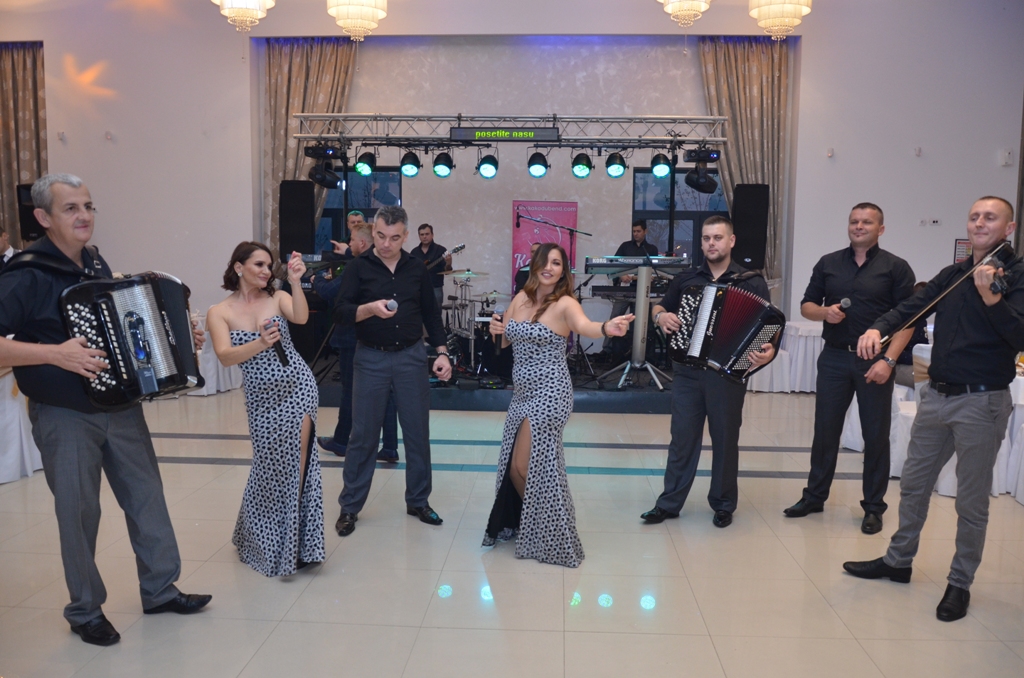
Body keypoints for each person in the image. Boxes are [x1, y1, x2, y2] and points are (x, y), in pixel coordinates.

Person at [0, 174, 211, 647]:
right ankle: (84, 610)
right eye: (71, 208)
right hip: (64, 414)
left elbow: (119, 333)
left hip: (120, 406)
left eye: (89, 206)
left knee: (147, 497)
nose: (84, 216)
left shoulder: (95, 262)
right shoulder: (26, 274)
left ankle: (160, 589)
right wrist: (54, 354)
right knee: (80, 514)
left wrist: (173, 339)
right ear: (43, 218)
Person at [844, 196, 1024, 623]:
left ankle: (960, 583)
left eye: (990, 217)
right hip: (936, 396)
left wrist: (993, 299)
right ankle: (898, 560)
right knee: (913, 484)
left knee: (971, 502)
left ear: (1009, 228)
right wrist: (877, 328)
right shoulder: (954, 274)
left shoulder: (1015, 276)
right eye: (974, 216)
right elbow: (911, 308)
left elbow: (1020, 337)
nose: (979, 223)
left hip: (981, 401)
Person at [485, 243, 634, 567]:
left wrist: (606, 328)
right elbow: (506, 338)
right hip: (521, 395)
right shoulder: (521, 299)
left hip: (550, 393)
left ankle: (550, 531)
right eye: (545, 261)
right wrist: (497, 329)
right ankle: (538, 523)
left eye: (556, 263)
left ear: (563, 270)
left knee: (524, 465)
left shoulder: (565, 303)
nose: (549, 267)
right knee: (516, 467)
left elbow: (585, 326)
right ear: (535, 265)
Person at [783, 203, 916, 534]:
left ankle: (873, 507)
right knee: (825, 432)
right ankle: (814, 497)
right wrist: (823, 313)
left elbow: (908, 321)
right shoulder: (828, 263)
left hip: (875, 361)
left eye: (867, 222)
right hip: (834, 358)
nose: (859, 226)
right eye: (854, 221)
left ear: (880, 229)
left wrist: (888, 361)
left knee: (875, 435)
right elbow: (806, 306)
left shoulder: (896, 268)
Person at [642, 216, 776, 528]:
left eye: (717, 237)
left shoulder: (751, 282)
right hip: (687, 371)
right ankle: (669, 503)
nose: (711, 243)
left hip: (727, 374)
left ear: (731, 241)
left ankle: (723, 504)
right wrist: (661, 317)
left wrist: (768, 349)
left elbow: (767, 325)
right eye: (706, 238)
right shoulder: (686, 279)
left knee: (725, 440)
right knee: (682, 438)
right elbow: (659, 307)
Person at [333, 205, 452, 537]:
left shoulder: (417, 269)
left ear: (406, 236)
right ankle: (350, 506)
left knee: (417, 433)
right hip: (370, 358)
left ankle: (418, 500)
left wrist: (442, 353)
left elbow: (431, 315)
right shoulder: (358, 267)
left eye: (395, 238)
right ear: (373, 232)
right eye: (381, 236)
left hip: (411, 357)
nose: (386, 244)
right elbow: (340, 312)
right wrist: (368, 309)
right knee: (363, 436)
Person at [207, 242, 325, 577]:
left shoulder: (277, 298)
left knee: (298, 461)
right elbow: (225, 356)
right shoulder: (220, 311)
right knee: (268, 464)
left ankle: (296, 544)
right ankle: (257, 535)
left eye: (269, 265)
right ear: (238, 267)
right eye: (258, 264)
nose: (265, 271)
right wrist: (260, 342)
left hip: (298, 387)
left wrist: (296, 282)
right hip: (261, 398)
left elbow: (301, 317)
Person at [314, 222, 401, 463]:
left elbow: (330, 291)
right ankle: (390, 446)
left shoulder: (357, 267)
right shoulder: (381, 264)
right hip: (379, 336)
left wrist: (316, 279)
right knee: (387, 393)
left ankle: (342, 441)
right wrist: (346, 252)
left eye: (351, 240)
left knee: (350, 391)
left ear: (362, 243)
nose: (349, 243)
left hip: (352, 336)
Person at [603, 219, 660, 359]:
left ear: (645, 231)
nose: (635, 234)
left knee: (641, 323)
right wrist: (621, 275)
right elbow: (613, 264)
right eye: (634, 231)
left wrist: (636, 277)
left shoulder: (651, 249)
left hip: (642, 292)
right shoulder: (625, 246)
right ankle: (607, 352)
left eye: (638, 231)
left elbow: (654, 272)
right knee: (615, 318)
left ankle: (640, 354)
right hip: (624, 290)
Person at [407, 223, 452, 308]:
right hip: (418, 289)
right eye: (422, 234)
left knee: (436, 314)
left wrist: (448, 263)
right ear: (419, 236)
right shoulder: (414, 252)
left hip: (435, 288)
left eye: (427, 234)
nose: (424, 237)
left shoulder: (440, 250)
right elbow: (410, 272)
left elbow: (447, 272)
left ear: (432, 235)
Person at [894, 282, 930, 388]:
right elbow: (895, 353)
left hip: (917, 363)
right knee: (928, 383)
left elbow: (924, 346)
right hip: (900, 366)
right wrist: (917, 358)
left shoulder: (922, 319)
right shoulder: (902, 318)